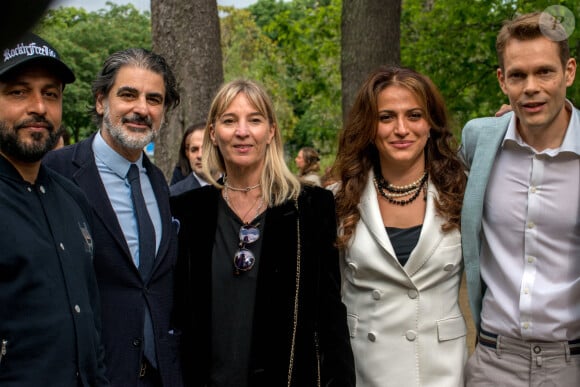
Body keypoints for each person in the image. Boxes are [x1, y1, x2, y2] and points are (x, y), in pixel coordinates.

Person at [170, 79, 355, 386]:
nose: (242, 131)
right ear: (214, 134)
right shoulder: (188, 210)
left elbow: (330, 314)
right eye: (230, 121)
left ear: (270, 131)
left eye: (254, 120)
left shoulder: (309, 207)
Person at [43, 48, 183, 387]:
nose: (141, 109)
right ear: (101, 101)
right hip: (93, 375)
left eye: (154, 99)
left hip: (162, 374)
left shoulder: (159, 184)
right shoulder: (54, 174)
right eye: (128, 94)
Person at [460, 11, 580, 386]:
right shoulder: (479, 140)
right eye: (518, 75)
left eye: (544, 71)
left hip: (571, 363)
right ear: (502, 80)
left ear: (569, 72)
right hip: (493, 361)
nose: (531, 87)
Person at [331, 66, 468, 386]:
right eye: (386, 117)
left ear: (431, 124)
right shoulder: (337, 200)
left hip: (442, 372)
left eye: (415, 115)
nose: (401, 129)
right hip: (364, 369)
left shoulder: (463, 193)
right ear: (369, 126)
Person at [0, 33, 109, 386]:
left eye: (51, 94)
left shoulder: (72, 198)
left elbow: (91, 322)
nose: (40, 107)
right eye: (19, 92)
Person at [169, 122, 210, 196]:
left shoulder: (235, 186)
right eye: (194, 150)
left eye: (206, 149)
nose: (200, 155)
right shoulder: (174, 195)